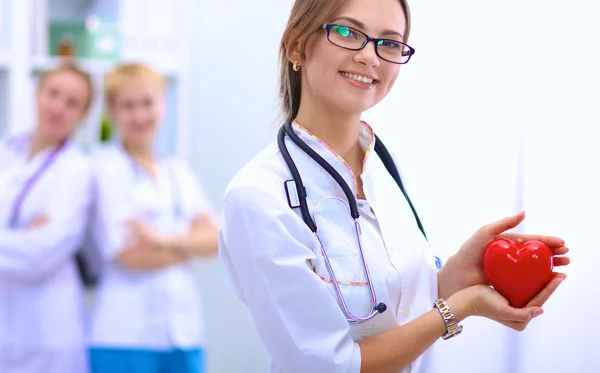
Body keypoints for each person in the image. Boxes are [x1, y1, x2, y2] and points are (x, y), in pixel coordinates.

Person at [217, 0, 571, 372]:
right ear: (296, 46)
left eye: (389, 43)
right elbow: (330, 365)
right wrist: (462, 307)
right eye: (348, 32)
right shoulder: (258, 196)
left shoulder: (383, 166)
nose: (371, 56)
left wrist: (456, 276)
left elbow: (394, 310)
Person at [87, 62, 219, 373]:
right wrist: (190, 245)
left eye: (148, 103)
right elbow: (130, 255)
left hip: (183, 333)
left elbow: (215, 240)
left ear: (163, 103)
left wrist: (162, 239)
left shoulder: (177, 171)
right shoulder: (104, 168)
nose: (140, 115)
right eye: (128, 106)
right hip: (124, 336)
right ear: (111, 111)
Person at [0, 63, 95, 373]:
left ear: (83, 115)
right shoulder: (7, 151)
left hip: (48, 330)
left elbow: (40, 253)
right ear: (37, 94)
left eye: (73, 103)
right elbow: (25, 246)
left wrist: (29, 238)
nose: (59, 107)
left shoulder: (77, 169)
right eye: (53, 94)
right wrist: (22, 234)